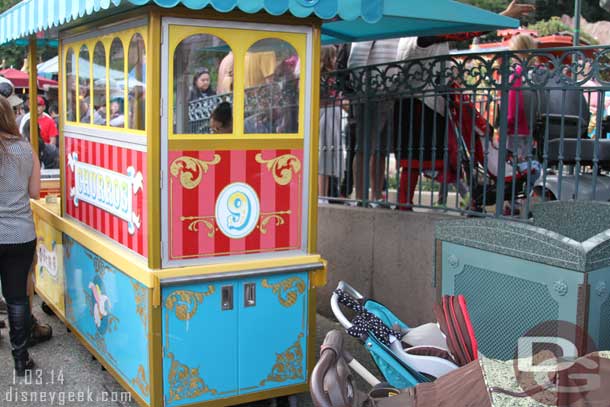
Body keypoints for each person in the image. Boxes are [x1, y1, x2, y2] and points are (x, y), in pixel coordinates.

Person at [0, 95, 40, 376]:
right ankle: (20, 359)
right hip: (20, 234)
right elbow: (35, 192)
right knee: (17, 297)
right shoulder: (25, 149)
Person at [348, 39, 401, 204]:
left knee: (381, 151)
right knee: (365, 149)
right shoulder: (373, 23)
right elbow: (355, 60)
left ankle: (376, 197)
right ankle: (361, 199)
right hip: (370, 95)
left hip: (390, 94)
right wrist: (365, 90)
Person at [318, 45, 342, 201]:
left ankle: (324, 194)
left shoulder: (325, 77)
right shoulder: (326, 78)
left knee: (327, 153)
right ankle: (322, 195)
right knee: (325, 153)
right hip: (328, 113)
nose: (336, 60)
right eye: (333, 57)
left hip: (330, 113)